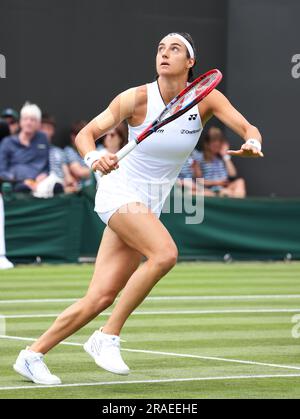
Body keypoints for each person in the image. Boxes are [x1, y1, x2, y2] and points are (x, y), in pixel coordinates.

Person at [14, 32, 263, 385]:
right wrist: (93, 157)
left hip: (149, 204)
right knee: (164, 254)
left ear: (190, 62)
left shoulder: (206, 100)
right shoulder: (135, 98)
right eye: (160, 48)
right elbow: (87, 134)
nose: (164, 53)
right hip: (119, 191)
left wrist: (252, 141)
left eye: (174, 49)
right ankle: (107, 337)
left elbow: (246, 126)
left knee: (99, 296)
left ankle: (31, 355)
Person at [0, 103, 49, 193]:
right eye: (26, 119)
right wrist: (20, 180)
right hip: (15, 185)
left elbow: (46, 165)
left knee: (57, 187)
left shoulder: (43, 138)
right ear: (20, 122)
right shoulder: (7, 142)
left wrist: (43, 175)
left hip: (41, 185)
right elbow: (2, 170)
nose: (29, 122)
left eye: (33, 120)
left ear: (38, 124)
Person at [196, 127, 247, 197]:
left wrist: (225, 156)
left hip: (224, 188)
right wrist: (217, 183)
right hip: (209, 190)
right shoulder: (200, 157)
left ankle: (234, 204)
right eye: (214, 141)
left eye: (219, 141)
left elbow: (233, 174)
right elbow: (198, 181)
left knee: (240, 182)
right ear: (207, 143)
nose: (217, 143)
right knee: (224, 193)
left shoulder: (221, 158)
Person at [41, 114, 78, 194]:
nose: (45, 132)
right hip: (43, 186)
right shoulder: (33, 150)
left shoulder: (58, 151)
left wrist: (70, 181)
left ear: (53, 131)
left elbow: (67, 174)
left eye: (48, 128)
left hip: (60, 185)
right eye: (42, 128)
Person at [64, 121, 91, 190]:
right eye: (77, 135)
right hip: (81, 189)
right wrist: (97, 170)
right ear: (72, 137)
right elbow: (79, 172)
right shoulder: (69, 150)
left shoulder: (91, 149)